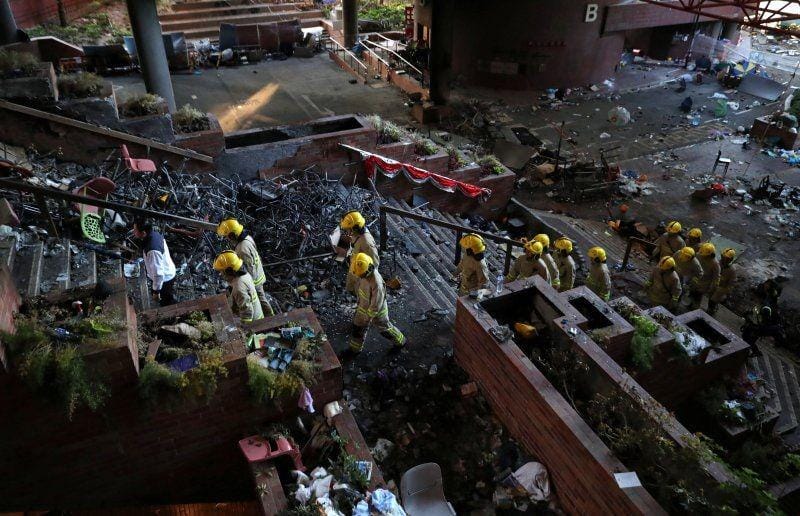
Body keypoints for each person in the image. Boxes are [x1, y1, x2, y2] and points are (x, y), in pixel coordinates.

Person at [217, 218, 274, 316]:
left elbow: (248, 268)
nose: (227, 239)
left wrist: (246, 284)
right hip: (259, 273)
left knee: (260, 300)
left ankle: (271, 319)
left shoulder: (242, 249)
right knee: (261, 298)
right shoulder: (247, 238)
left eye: (227, 236)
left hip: (255, 280)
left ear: (232, 235)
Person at [349, 252, 405, 354]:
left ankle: (400, 341)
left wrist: (368, 318)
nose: (361, 276)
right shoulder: (363, 271)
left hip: (377, 313)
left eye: (362, 275)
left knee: (385, 330)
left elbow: (376, 305)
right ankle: (354, 350)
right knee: (357, 329)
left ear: (369, 269)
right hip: (363, 308)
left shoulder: (377, 283)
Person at [133, 219, 177, 306]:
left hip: (165, 278)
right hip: (167, 270)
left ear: (144, 233)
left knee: (166, 301)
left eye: (135, 230)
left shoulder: (152, 250)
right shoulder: (154, 234)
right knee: (166, 296)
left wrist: (156, 291)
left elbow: (159, 274)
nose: (133, 232)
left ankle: (172, 313)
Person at [213, 250, 264, 324]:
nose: (221, 274)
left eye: (221, 271)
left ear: (228, 271)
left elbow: (247, 312)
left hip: (255, 322)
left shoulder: (239, 288)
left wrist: (244, 329)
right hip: (257, 314)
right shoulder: (244, 275)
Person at [340, 211, 380, 295]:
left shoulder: (366, 243)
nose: (347, 231)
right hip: (354, 268)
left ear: (355, 228)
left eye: (348, 229)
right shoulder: (357, 234)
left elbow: (375, 263)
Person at [689, 243, 720, 309]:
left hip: (703, 284)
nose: (703, 256)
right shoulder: (699, 255)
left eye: (705, 255)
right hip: (695, 279)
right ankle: (691, 304)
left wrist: (712, 288)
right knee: (692, 294)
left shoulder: (715, 264)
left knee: (697, 297)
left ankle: (694, 308)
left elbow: (716, 278)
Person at [708, 248, 737, 315]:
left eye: (727, 259)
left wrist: (722, 290)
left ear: (731, 260)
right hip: (714, 285)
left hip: (721, 289)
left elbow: (731, 285)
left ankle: (711, 310)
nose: (724, 260)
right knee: (710, 298)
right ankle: (710, 308)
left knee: (713, 301)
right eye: (724, 257)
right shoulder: (718, 263)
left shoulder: (732, 271)